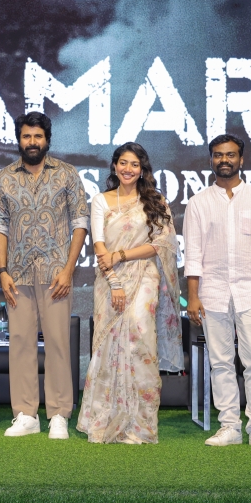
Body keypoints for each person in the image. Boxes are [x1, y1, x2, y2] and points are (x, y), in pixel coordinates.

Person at [0, 112, 89, 439]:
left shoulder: (67, 174)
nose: (32, 142)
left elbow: (80, 223)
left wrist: (69, 268)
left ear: (47, 139)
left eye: (38, 137)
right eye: (26, 137)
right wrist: (2, 271)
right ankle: (25, 414)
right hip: (16, 274)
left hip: (56, 274)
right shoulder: (4, 178)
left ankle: (58, 415)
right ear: (18, 139)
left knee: (59, 343)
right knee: (20, 343)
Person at [77, 143, 182, 444]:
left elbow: (161, 244)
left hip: (145, 274)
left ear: (142, 169)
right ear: (114, 166)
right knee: (108, 344)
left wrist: (122, 254)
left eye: (134, 164)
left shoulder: (155, 201)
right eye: (123, 163)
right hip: (109, 279)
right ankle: (105, 419)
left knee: (139, 331)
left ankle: (140, 424)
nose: (127, 169)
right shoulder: (101, 200)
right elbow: (99, 246)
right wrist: (114, 282)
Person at [184, 133, 251, 449]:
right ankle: (229, 425)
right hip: (212, 293)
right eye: (217, 155)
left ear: (241, 159)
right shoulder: (198, 202)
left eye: (230, 155)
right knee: (221, 362)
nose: (223, 160)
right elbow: (193, 254)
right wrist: (194, 295)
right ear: (211, 159)